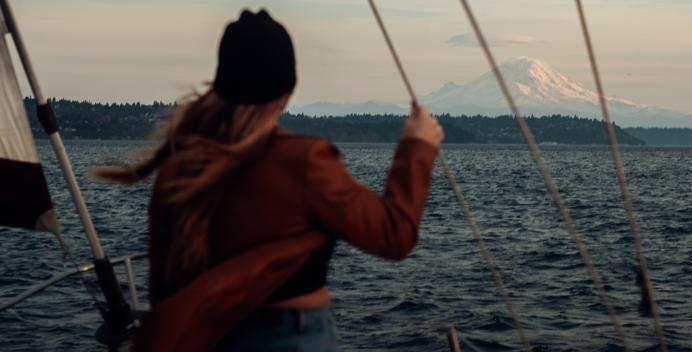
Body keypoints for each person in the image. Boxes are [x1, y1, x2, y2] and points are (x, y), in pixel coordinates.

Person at [95, 9, 443, 352]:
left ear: (222, 82)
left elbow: (165, 291)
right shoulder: (302, 162)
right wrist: (418, 145)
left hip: (208, 338)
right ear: (287, 91)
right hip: (292, 338)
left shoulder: (180, 164)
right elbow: (394, 236)